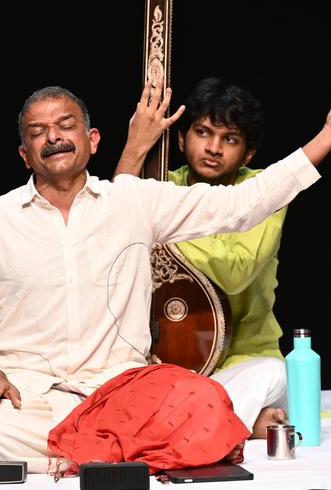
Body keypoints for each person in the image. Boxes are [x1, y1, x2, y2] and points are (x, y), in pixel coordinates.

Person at [0, 74, 331, 471]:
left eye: (65, 126)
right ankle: (131, 454)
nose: (54, 138)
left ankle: (86, 454)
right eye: (38, 132)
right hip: (31, 392)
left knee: (203, 401)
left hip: (119, 388)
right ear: (25, 154)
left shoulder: (133, 201)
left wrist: (327, 137)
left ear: (93, 139)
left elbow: (242, 205)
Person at [113, 78, 288, 438]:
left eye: (230, 139)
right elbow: (108, 224)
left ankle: (181, 431)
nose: (213, 148)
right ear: (181, 139)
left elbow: (236, 270)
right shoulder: (163, 185)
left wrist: (162, 224)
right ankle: (216, 427)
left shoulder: (266, 192)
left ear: (248, 154)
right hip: (168, 365)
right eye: (203, 132)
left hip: (240, 363)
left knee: (273, 375)